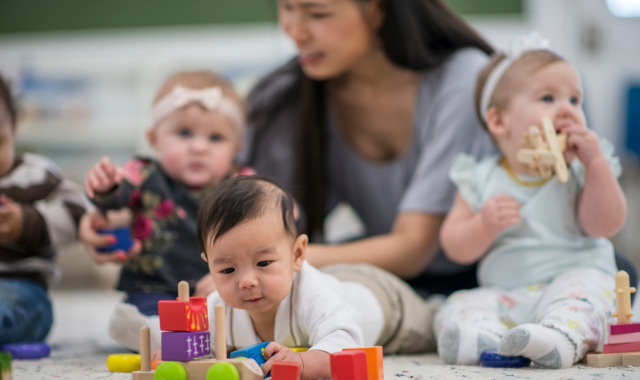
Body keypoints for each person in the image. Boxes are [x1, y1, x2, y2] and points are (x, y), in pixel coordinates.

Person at [243, 0, 495, 295]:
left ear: (377, 11)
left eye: (317, 13)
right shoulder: (285, 96)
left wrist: (268, 261)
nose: (295, 32)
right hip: (385, 280)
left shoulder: (462, 77)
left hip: (480, 284)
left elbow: (412, 249)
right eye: (286, 8)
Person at [433, 35, 626, 368]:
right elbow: (454, 246)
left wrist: (596, 166)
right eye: (548, 97)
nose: (568, 110)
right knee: (458, 304)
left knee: (585, 298)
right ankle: (485, 337)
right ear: (498, 121)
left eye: (575, 99)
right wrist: (483, 225)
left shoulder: (583, 168)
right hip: (509, 293)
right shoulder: (478, 176)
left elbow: (605, 225)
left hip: (574, 278)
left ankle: (559, 337)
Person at [153, 176, 436, 377]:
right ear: (209, 266)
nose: (246, 281)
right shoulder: (218, 307)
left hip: (383, 299)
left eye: (263, 262)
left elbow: (347, 340)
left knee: (430, 323)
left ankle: (439, 307)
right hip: (333, 279)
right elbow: (200, 344)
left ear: (298, 254)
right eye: (227, 270)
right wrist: (176, 354)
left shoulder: (314, 296)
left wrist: (303, 362)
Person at [83, 71, 253, 351]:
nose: (199, 147)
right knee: (149, 319)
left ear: (236, 148)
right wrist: (106, 187)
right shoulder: (143, 172)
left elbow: (269, 211)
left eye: (215, 138)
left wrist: (286, 210)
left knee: (241, 316)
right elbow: (118, 195)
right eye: (184, 133)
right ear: (154, 138)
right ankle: (148, 331)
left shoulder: (242, 182)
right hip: (154, 287)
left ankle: (200, 338)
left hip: (219, 287)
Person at [0, 74, 88, 344]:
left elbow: (77, 212)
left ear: (14, 128)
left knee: (16, 309)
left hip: (20, 285)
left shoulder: (35, 174)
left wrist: (27, 223)